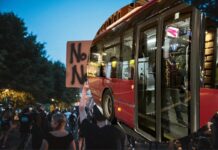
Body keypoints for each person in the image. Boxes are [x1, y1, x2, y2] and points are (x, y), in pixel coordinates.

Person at [79, 83, 126, 150]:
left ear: (93, 115)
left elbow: (81, 109)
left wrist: (84, 90)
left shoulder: (88, 129)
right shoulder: (116, 132)